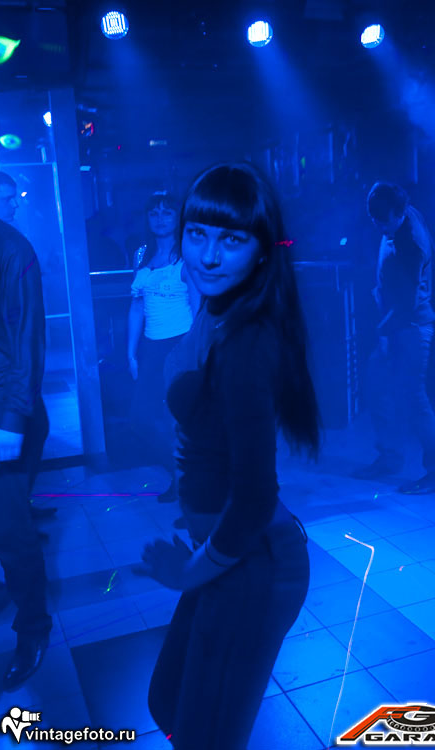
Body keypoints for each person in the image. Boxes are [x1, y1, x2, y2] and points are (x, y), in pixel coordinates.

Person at [133, 163, 320, 750]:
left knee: (205, 736)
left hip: (256, 563)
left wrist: (188, 572)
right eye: (198, 234)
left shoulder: (246, 342)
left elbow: (256, 496)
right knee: (167, 700)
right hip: (227, 551)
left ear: (262, 250)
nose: (209, 257)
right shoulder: (216, 309)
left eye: (232, 240)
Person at [354, 181, 435, 494]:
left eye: (384, 222)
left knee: (414, 399)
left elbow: (406, 305)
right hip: (397, 325)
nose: (379, 227)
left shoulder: (411, 242)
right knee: (377, 387)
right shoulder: (399, 214)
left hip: (410, 328)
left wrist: (384, 332)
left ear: (400, 214)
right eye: (374, 220)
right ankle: (390, 457)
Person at [0, 170, 52, 691]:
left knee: (10, 530)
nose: (15, 204)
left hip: (3, 413)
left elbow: (26, 340)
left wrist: (11, 421)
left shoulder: (13, 250)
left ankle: (33, 629)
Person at [127, 191, 196, 501]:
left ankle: (188, 485)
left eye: (167, 212)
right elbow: (136, 306)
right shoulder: (142, 254)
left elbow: (198, 305)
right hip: (151, 346)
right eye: (154, 213)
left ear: (178, 217)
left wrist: (194, 349)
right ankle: (180, 472)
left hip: (180, 342)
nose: (159, 218)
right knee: (140, 418)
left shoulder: (187, 254)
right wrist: (131, 352)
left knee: (178, 418)